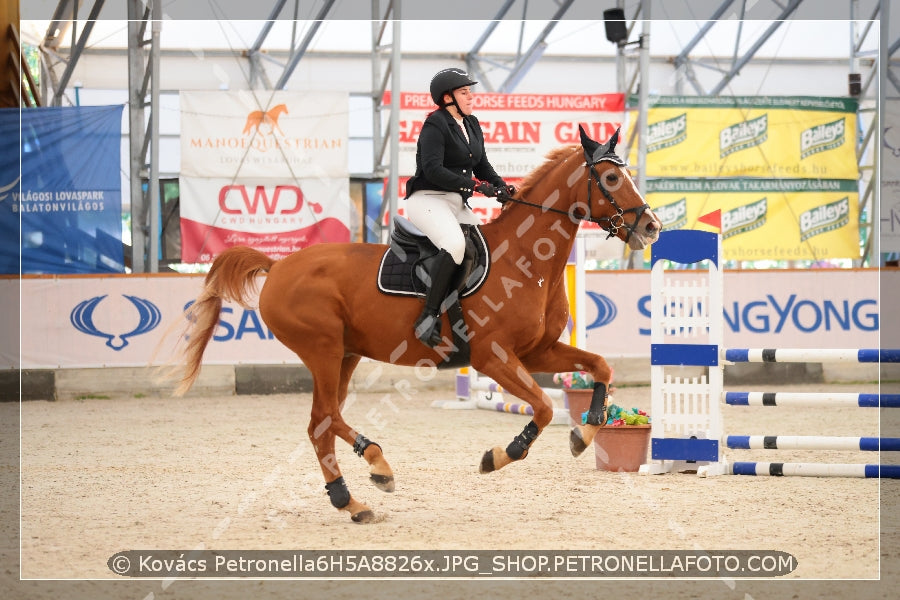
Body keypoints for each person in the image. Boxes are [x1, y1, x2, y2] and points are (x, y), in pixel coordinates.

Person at [405, 67, 515, 348]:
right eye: (464, 92)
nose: (470, 97)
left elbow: (482, 166)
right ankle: (428, 316)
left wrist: (501, 186)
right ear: (447, 98)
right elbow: (432, 168)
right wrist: (476, 187)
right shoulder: (435, 124)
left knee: (486, 249)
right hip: (428, 199)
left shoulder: (472, 123)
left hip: (455, 203)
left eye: (470, 92)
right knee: (455, 244)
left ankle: (465, 311)